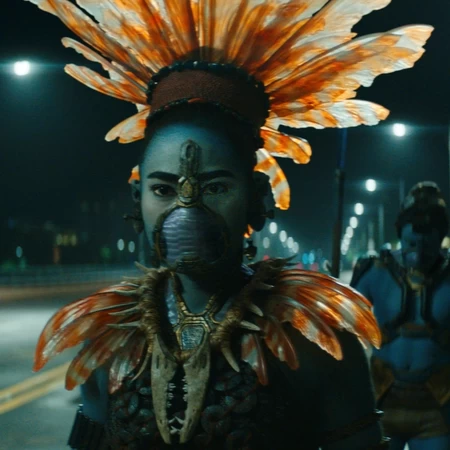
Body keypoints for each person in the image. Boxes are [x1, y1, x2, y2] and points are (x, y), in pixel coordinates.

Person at [26, 0, 433, 448]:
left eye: (216, 187)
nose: (187, 208)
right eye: (163, 189)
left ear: (258, 199)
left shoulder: (314, 340)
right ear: (136, 201)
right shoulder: (110, 337)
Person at [351, 182, 450, 450]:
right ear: (401, 234)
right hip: (381, 401)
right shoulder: (376, 271)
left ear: (441, 237)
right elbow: (344, 324)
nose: (419, 252)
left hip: (436, 409)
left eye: (428, 243)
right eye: (411, 243)